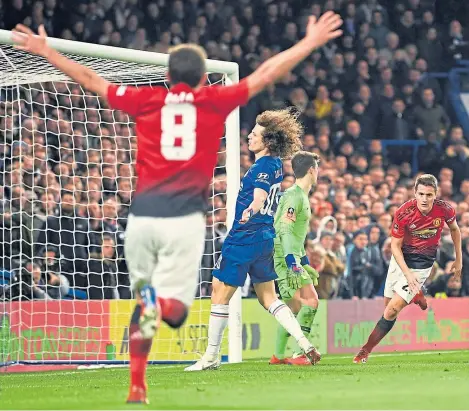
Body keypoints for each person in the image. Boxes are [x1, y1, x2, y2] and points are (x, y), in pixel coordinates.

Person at [12, 12, 343, 403]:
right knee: (182, 308)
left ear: (166, 77)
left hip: (143, 215)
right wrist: (308, 43)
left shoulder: (146, 99)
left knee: (152, 300)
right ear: (205, 78)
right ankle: (174, 309)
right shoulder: (213, 101)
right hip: (186, 221)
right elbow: (267, 73)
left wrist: (47, 51)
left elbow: (92, 82)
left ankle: (140, 380)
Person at [185, 109, 320, 372]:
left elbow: (259, 197)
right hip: (264, 239)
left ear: (267, 141)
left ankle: (210, 357)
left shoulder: (261, 166)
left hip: (244, 237)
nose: (249, 136)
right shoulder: (277, 166)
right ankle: (304, 341)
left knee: (219, 294)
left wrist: (249, 210)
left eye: (255, 134)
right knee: (268, 297)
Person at [353, 174, 463, 363]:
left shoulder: (444, 209)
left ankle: (365, 351)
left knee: (391, 311)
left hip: (422, 264)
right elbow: (395, 246)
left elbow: (455, 230)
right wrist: (406, 274)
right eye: (421, 194)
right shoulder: (404, 212)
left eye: (429, 195)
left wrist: (458, 259)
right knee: (387, 307)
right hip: (401, 260)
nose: (424, 199)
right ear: (415, 193)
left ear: (435, 194)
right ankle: (416, 293)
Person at [269, 151, 322, 366]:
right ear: (311, 170)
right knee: (310, 301)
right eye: (317, 168)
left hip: (291, 255)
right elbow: (285, 228)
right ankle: (301, 353)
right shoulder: (293, 196)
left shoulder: (299, 196)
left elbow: (297, 234)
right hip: (285, 257)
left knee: (293, 309)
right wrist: (292, 261)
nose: (318, 172)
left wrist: (305, 262)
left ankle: (279, 355)